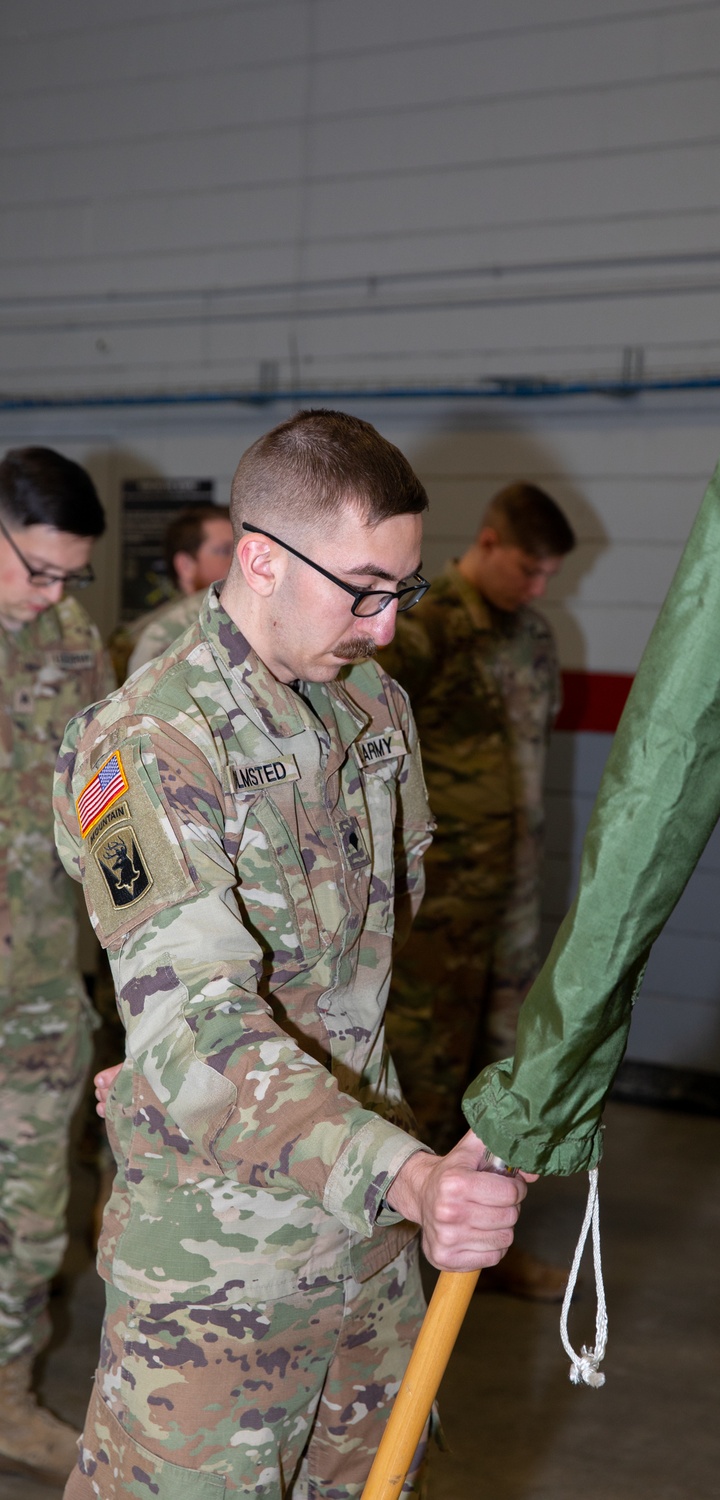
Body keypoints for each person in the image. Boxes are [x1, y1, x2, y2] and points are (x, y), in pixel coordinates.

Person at [54, 410, 534, 1500]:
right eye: (363, 589)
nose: (384, 626)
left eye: (401, 592)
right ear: (261, 558)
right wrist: (403, 1173)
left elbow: (364, 962)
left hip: (364, 1265)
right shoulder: (153, 740)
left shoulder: (373, 708)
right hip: (220, 1281)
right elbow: (202, 1024)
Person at [379, 482, 574, 1301]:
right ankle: (397, 1262)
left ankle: (482, 1257)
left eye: (548, 575)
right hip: (437, 904)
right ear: (488, 543)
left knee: (501, 1068)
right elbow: (364, 738)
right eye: (527, 569)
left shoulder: (531, 636)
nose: (537, 588)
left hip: (511, 894)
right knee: (422, 1067)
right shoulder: (423, 627)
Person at [0, 447, 113, 1487]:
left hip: (35, 990)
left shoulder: (76, 644)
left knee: (33, 1217)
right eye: (35, 568)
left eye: (69, 576)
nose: (51, 596)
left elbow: (109, 810)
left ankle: (7, 1398)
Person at [108, 504, 233, 681]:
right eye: (225, 551)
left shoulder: (233, 620)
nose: (238, 560)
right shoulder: (160, 636)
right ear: (186, 566)